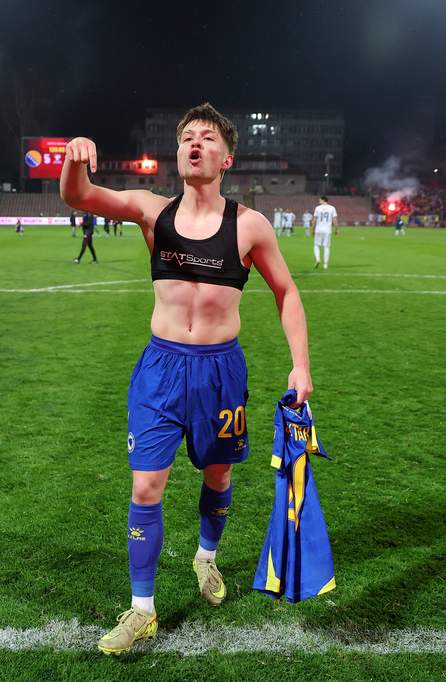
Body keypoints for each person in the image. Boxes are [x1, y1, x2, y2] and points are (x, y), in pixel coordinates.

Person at [61, 103, 312, 655]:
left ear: (226, 157)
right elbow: (79, 196)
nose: (195, 144)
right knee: (145, 486)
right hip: (160, 368)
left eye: (207, 138)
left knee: (218, 477)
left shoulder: (249, 225)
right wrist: (75, 160)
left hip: (221, 373)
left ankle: (205, 557)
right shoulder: (153, 211)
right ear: (179, 155)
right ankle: (143, 610)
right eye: (187, 139)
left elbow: (286, 292)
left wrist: (301, 365)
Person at [312, 196, 337, 269]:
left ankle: (317, 258)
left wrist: (313, 229)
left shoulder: (318, 208)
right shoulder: (332, 208)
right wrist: (336, 229)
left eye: (320, 199)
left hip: (318, 229)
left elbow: (314, 220)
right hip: (327, 230)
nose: (319, 201)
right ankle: (325, 264)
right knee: (326, 247)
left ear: (323, 200)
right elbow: (335, 220)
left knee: (316, 245)